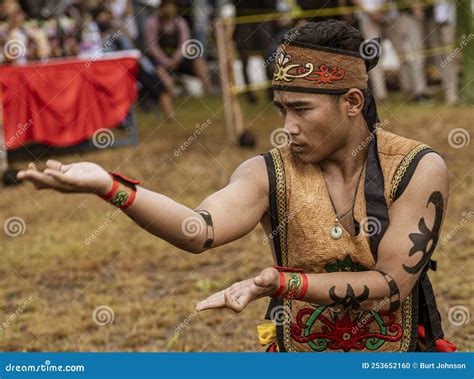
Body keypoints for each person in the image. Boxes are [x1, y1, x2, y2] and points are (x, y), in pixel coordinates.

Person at [17, 20, 455, 352]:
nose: (288, 128)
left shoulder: (417, 167)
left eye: (301, 110)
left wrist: (280, 282)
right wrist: (110, 186)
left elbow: (392, 283)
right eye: (281, 109)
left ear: (353, 102)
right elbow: (197, 230)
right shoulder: (268, 171)